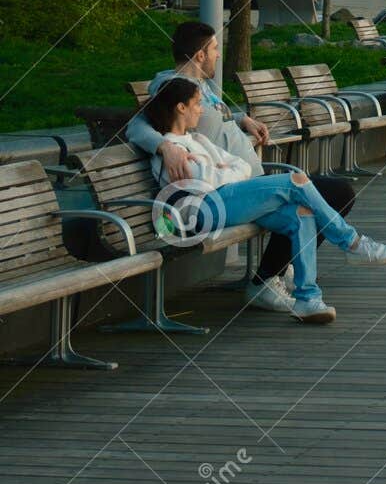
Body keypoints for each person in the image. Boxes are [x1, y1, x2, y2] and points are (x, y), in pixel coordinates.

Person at [125, 20, 361, 315]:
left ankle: (275, 275)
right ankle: (335, 250)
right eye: (214, 49)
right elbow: (136, 125)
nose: (218, 55)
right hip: (226, 193)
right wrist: (165, 146)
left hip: (246, 184)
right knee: (322, 191)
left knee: (323, 200)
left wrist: (240, 119)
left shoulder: (202, 87)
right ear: (199, 55)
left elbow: (213, 117)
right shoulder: (169, 86)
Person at [143, 76, 386, 324]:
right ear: (181, 107)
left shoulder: (197, 140)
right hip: (203, 209)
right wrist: (222, 170)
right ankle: (352, 242)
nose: (201, 110)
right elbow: (208, 182)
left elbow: (240, 166)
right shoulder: (168, 149)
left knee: (300, 213)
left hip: (227, 197)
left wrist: (221, 169)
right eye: (198, 103)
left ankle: (307, 300)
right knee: (295, 180)